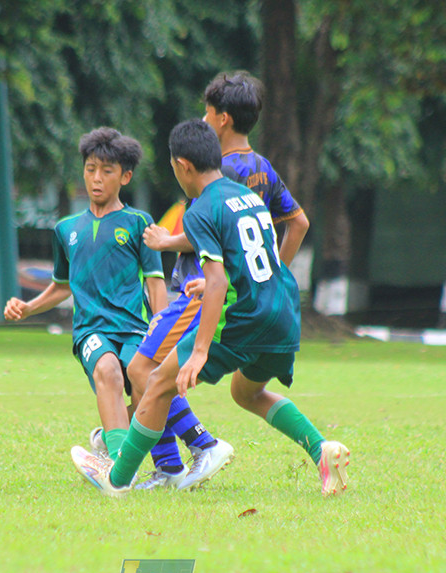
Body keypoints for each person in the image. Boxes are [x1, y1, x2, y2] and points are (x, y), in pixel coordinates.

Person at [71, 118, 350, 497]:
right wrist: (217, 281)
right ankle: (322, 449)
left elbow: (217, 282)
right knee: (246, 393)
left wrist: (199, 351)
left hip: (242, 320)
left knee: (155, 383)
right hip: (283, 313)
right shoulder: (247, 195)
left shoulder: (202, 209)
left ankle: (117, 480)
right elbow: (255, 259)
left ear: (183, 166)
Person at [125, 70, 310, 490]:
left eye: (207, 113)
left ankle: (185, 453)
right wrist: (270, 275)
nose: (203, 121)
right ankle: (172, 459)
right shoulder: (263, 168)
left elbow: (207, 228)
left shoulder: (214, 170)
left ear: (222, 119)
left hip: (210, 294)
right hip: (245, 297)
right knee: (227, 389)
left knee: (143, 370)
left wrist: (166, 241)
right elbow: (297, 223)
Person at [4, 128, 167, 452]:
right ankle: (120, 469)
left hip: (135, 329)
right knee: (107, 370)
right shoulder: (66, 229)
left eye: (107, 171)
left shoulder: (139, 223)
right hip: (91, 330)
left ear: (125, 176)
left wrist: (161, 337)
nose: (96, 178)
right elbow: (62, 286)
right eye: (90, 169)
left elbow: (155, 282)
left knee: (147, 390)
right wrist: (28, 306)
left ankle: (110, 441)